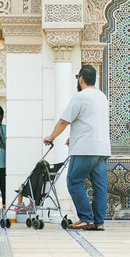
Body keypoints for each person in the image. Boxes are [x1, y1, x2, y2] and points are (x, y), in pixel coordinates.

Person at [44, 64, 110, 231]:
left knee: (74, 181)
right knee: (100, 186)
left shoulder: (80, 97)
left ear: (81, 78)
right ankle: (99, 222)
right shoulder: (102, 96)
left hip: (84, 149)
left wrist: (51, 137)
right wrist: (73, 137)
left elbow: (64, 121)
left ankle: (86, 218)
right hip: (101, 149)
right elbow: (90, 122)